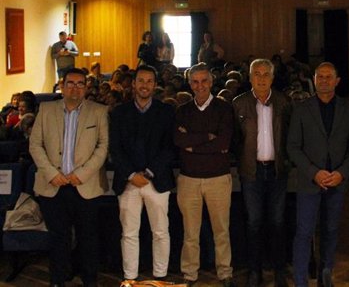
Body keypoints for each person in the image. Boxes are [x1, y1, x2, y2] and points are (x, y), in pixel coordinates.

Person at [29, 68, 108, 287]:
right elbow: (35, 144)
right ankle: (57, 281)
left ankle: (89, 281)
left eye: (80, 84)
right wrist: (52, 174)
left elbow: (103, 147)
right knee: (58, 239)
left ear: (86, 87)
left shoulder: (99, 111)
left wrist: (80, 175)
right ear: (62, 86)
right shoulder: (46, 109)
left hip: (85, 185)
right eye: (70, 83)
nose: (75, 88)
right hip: (52, 185)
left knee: (88, 239)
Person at [287, 62, 349, 287]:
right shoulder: (301, 108)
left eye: (329, 77)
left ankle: (325, 275)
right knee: (304, 232)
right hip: (310, 182)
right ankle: (301, 281)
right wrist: (313, 173)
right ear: (314, 80)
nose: (324, 80)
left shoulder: (348, 109)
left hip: (337, 182)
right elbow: (292, 147)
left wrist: (342, 173)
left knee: (331, 230)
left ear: (337, 81)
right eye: (320, 77)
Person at [109, 65, 176, 282]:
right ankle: (130, 279)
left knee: (160, 232)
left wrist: (147, 173)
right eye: (141, 80)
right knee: (129, 233)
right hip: (128, 182)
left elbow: (170, 147)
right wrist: (130, 174)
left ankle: (160, 277)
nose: (145, 85)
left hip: (157, 180)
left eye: (149, 81)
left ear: (155, 85)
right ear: (134, 83)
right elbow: (115, 148)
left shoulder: (166, 112)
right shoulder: (119, 112)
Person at [173, 63, 235, 287]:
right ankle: (190, 275)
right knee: (190, 233)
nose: (200, 86)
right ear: (190, 84)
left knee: (221, 230)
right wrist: (207, 137)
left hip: (218, 178)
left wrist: (193, 143)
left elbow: (224, 142)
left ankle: (225, 273)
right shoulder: (182, 111)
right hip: (189, 179)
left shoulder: (224, 109)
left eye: (204, 81)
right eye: (195, 82)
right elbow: (179, 141)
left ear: (211, 82)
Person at [232, 59, 291, 287]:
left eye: (266, 74)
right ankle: (254, 271)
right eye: (257, 74)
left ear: (273, 78)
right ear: (250, 77)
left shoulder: (284, 102)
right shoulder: (239, 104)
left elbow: (289, 136)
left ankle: (278, 271)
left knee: (277, 222)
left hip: (277, 172)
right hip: (251, 172)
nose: (262, 78)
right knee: (254, 223)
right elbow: (236, 140)